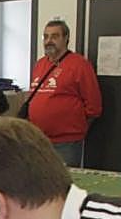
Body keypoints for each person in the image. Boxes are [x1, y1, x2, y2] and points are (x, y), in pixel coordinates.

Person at [24, 20, 102, 166]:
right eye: (46, 37)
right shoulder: (40, 64)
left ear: (66, 38)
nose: (49, 41)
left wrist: (74, 127)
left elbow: (94, 106)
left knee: (64, 179)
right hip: (38, 140)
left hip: (66, 143)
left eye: (54, 36)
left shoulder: (79, 65)